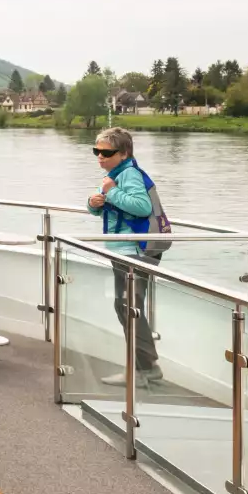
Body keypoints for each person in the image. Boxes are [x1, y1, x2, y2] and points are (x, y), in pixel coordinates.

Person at [88, 127, 165, 386]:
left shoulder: (128, 174)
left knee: (128, 307)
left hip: (134, 251)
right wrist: (94, 203)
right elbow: (111, 209)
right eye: (96, 151)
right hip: (123, 249)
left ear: (124, 153)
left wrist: (111, 191)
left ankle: (145, 369)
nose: (100, 156)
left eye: (106, 152)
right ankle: (146, 367)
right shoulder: (115, 175)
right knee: (126, 306)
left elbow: (142, 207)